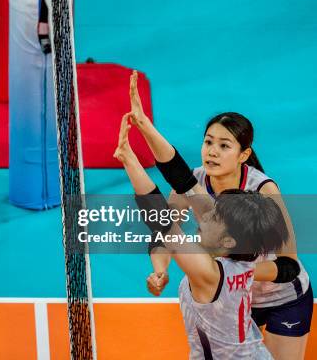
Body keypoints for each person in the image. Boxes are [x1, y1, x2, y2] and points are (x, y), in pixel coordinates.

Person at [124, 71, 312, 359]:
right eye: (208, 142)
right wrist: (160, 269)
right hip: (232, 297)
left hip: (280, 298)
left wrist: (230, 275)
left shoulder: (262, 189)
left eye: (224, 146)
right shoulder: (200, 184)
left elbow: (290, 263)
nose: (212, 152)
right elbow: (165, 224)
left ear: (243, 154)